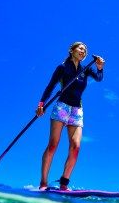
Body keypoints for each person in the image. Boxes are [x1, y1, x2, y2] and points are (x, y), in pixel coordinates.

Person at [36, 42, 105, 190]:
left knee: (76, 147)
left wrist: (100, 67)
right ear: (71, 50)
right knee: (53, 145)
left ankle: (64, 184)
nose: (83, 51)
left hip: (76, 110)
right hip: (62, 107)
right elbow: (50, 86)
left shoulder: (86, 69)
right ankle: (43, 183)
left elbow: (99, 78)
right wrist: (41, 104)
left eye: (85, 50)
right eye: (80, 48)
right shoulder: (62, 67)